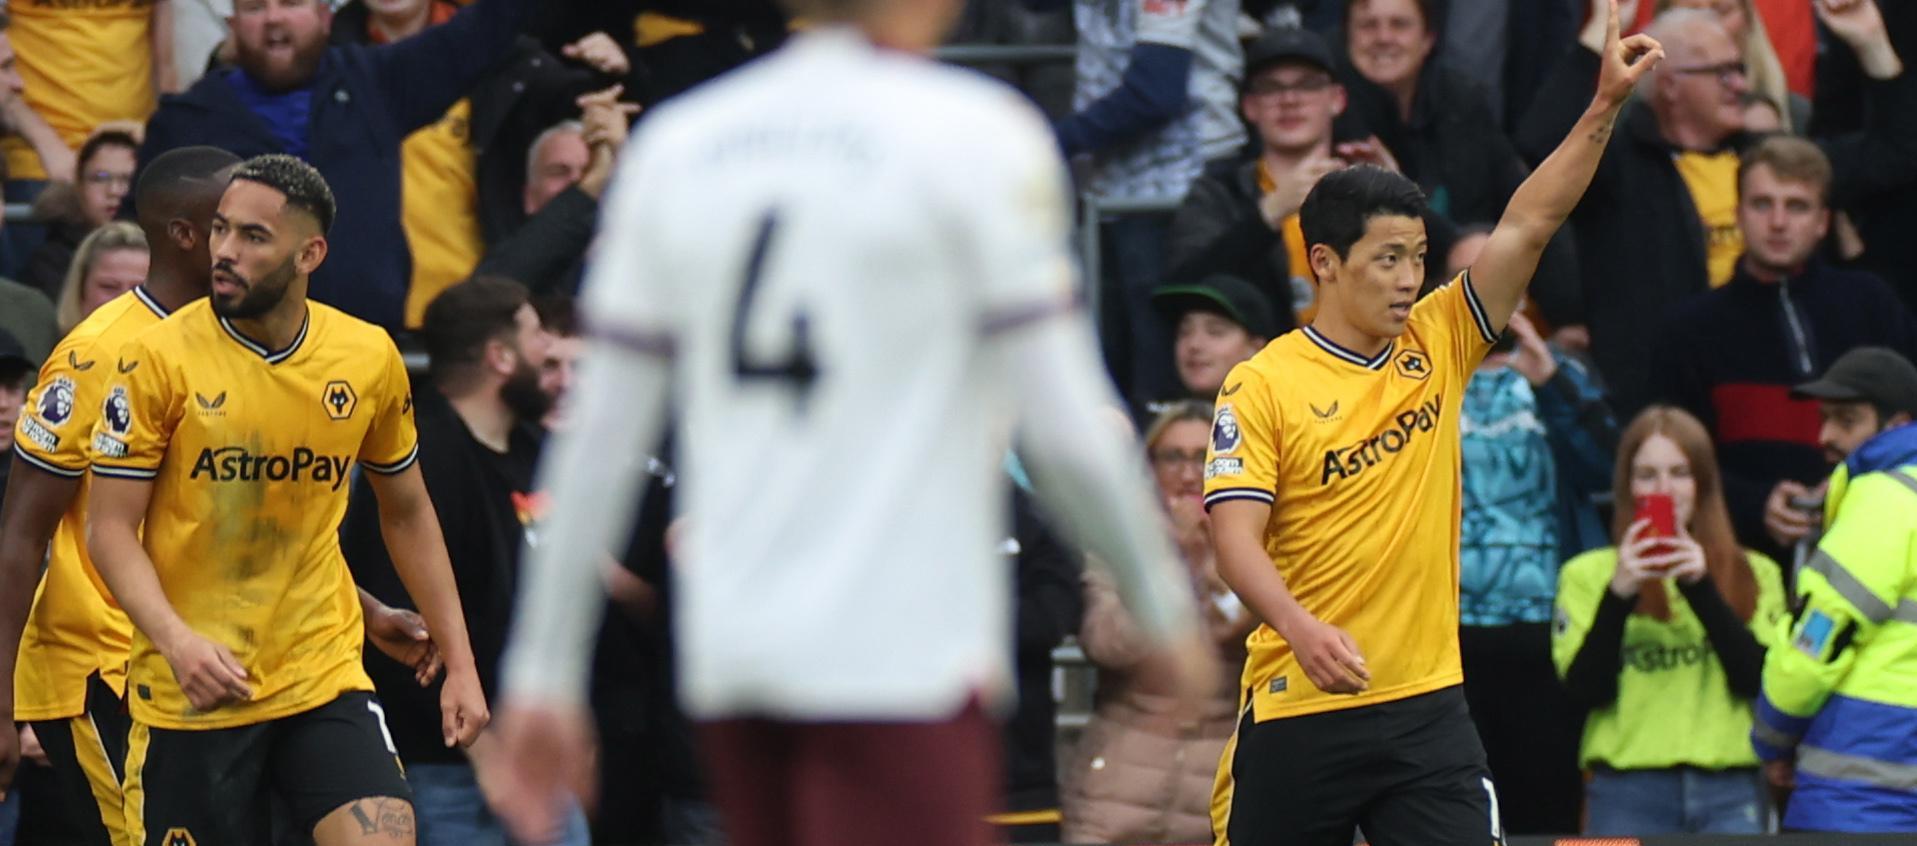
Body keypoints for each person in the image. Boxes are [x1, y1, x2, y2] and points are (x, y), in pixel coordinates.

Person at [485, 0, 1220, 844]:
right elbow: (1061, 422)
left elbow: (601, 434)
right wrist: (1163, 609)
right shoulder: (974, 135)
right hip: (898, 640)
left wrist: (541, 670)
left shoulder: (681, 144)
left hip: (738, 640)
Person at [1201, 3, 1662, 843]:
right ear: (1324, 264)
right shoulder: (1259, 382)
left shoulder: (1440, 338)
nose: (1409, 277)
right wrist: (1299, 629)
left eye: (1416, 256)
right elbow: (1234, 541)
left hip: (1424, 707)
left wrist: (1602, 108)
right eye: (1388, 258)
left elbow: (1528, 220)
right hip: (1300, 700)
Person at [0, 147, 440, 845]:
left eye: (254, 229)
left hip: (238, 665)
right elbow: (20, 537)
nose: (235, 241)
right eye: (223, 224)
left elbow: (223, 526)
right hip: (105, 672)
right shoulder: (97, 354)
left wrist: (363, 606)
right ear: (185, 233)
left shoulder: (253, 347)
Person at [1517, 0, 1915, 416]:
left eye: (1739, 69)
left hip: (1772, 395)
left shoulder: (1770, 159)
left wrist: (1872, 45)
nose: (1740, 85)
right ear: (1669, 84)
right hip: (1662, 414)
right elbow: (1540, 144)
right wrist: (1600, 30)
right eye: (1721, 72)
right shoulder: (1618, 170)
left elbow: (1895, 154)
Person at [342, 276, 592, 846]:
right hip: (449, 769)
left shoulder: (533, 451)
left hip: (532, 757)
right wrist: (490, 763)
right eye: (536, 337)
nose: (550, 351)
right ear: (499, 356)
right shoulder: (424, 461)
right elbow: (406, 637)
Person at [137, 0, 539, 329]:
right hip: (228, 360)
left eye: (291, 3)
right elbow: (142, 244)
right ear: (233, 25)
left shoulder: (376, 82)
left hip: (364, 352)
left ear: (326, 17)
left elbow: (487, 26)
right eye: (255, 8)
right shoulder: (185, 120)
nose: (274, 16)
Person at [1653, 136, 1917, 568]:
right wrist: (1755, 504)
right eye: (1762, 204)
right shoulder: (1689, 330)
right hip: (1737, 564)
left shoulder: (1873, 304)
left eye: (1797, 206)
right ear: (1737, 215)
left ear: (1822, 221)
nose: (1778, 222)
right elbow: (1671, 457)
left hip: (1882, 548)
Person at [1552, 406, 1787, 835]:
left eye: (1681, 472)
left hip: (1730, 787)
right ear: (1626, 486)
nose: (1665, 488)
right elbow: (1584, 691)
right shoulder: (1585, 575)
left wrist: (1700, 586)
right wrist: (1619, 593)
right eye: (1646, 475)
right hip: (1623, 788)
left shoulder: (1756, 571)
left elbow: (1761, 682)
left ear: (1704, 484)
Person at [1450, 232, 1611, 837]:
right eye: (1467, 275)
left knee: (1548, 811)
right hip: (1448, 636)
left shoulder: (1561, 374)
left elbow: (1606, 470)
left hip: (1548, 632)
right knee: (1461, 812)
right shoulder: (1418, 378)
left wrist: (1551, 385)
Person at [1062, 401, 1249, 844]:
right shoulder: (1115, 546)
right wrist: (1172, 567)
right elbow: (1107, 642)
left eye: (1204, 457)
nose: (1188, 474)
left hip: (1217, 794)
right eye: (1172, 457)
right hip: (1115, 796)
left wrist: (1207, 561)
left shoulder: (1258, 548)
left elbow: (1242, 630)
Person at [1752, 372, 1917, 833]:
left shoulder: (1887, 501)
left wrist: (1773, 739)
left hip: (1865, 796)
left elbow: (1815, 643)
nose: (1825, 436)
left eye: (1846, 421)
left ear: (1897, 425)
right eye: (1824, 419)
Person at [25, 129, 140, 302]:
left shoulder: (169, 257)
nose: (114, 191)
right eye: (100, 178)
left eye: (128, 179)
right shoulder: (49, 262)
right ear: (78, 185)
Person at [1150, 274, 1277, 405]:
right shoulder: (1157, 421)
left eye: (1215, 332)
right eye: (1184, 332)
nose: (1194, 344)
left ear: (1256, 349)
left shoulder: (1285, 418)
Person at [52, 222, 148, 335]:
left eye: (140, 290)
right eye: (109, 286)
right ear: (80, 290)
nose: (124, 299)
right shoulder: (53, 350)